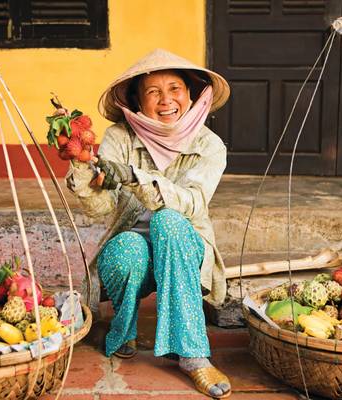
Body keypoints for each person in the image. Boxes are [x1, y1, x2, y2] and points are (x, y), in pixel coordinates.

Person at [66, 49, 231, 399]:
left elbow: (192, 203)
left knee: (169, 221)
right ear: (138, 102)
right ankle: (122, 328)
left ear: (190, 94)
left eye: (175, 88)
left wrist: (134, 177)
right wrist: (85, 176)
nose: (166, 100)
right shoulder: (119, 138)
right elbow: (101, 209)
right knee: (129, 246)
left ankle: (192, 355)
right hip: (133, 257)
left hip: (184, 253)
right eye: (153, 92)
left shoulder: (209, 145)